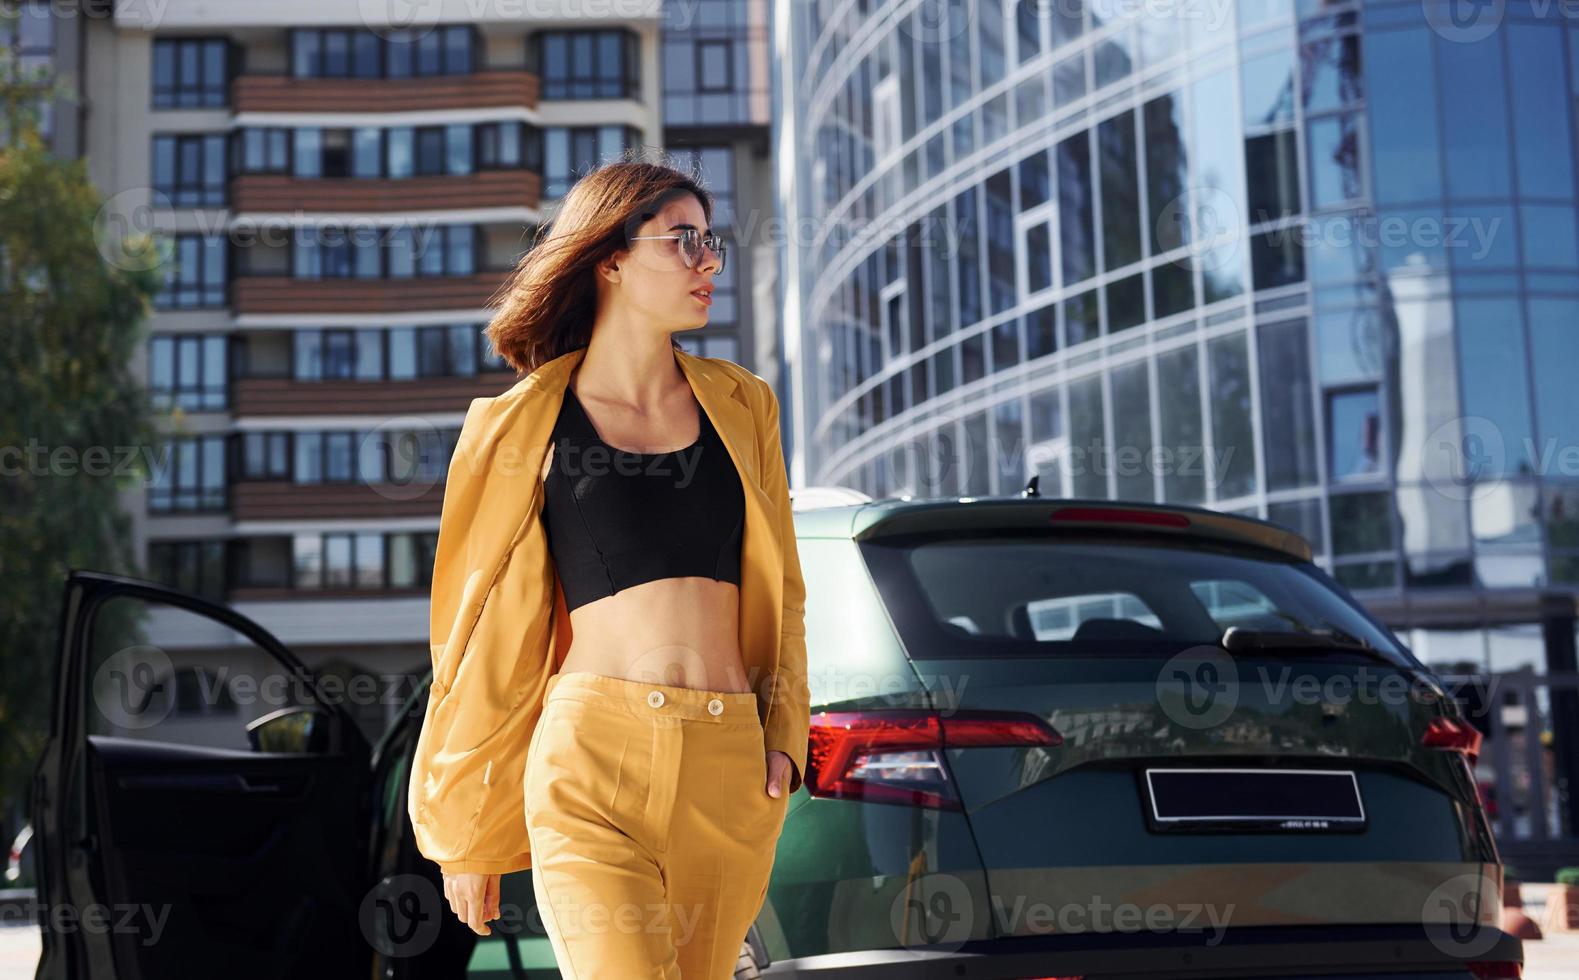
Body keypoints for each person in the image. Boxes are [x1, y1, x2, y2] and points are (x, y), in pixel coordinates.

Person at [406, 155, 810, 979]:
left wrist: (782, 740)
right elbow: (471, 635)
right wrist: (463, 828)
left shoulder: (744, 405)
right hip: (592, 759)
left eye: (713, 243)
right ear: (612, 257)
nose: (708, 263)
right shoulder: (515, 427)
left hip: (729, 764)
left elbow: (786, 594)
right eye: (683, 241)